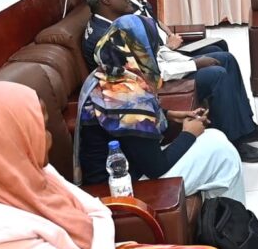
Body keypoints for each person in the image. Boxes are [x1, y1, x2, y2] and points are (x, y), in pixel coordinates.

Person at [0, 82, 238, 249]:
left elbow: (96, 210)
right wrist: (101, 227)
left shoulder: (23, 172)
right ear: (4, 139)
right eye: (38, 128)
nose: (48, 137)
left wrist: (99, 225)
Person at [82, 0, 258, 163]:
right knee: (217, 74)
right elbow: (149, 72)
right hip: (144, 87)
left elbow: (154, 54)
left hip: (155, 71)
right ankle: (234, 140)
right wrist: (193, 64)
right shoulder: (104, 37)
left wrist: (187, 60)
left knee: (225, 58)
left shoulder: (116, 23)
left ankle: (247, 126)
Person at [76, 14, 248, 201]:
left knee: (215, 139)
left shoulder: (108, 73)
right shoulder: (127, 97)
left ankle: (219, 212)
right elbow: (156, 167)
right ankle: (232, 217)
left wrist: (169, 114)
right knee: (223, 154)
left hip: (131, 168)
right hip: (122, 187)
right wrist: (189, 134)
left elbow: (126, 126)